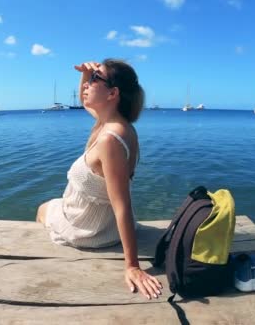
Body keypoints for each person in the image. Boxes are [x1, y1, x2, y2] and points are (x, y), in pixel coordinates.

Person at [36, 59, 162, 300]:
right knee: (50, 205)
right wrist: (86, 74)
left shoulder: (110, 139)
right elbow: (86, 101)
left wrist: (133, 266)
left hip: (90, 229)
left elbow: (121, 204)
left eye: (96, 79)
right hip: (104, 223)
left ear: (113, 93)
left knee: (42, 209)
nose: (87, 84)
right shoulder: (114, 123)